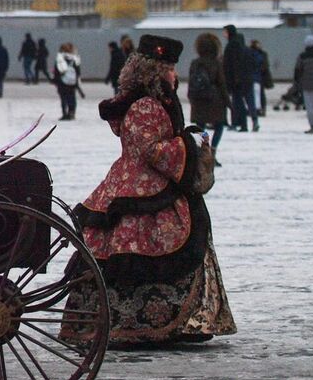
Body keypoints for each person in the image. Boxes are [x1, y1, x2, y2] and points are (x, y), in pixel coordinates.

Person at [67, 34, 235, 345]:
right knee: (146, 248)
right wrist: (188, 145)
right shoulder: (145, 104)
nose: (175, 74)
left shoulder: (153, 99)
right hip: (143, 188)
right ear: (154, 71)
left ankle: (175, 322)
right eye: (170, 68)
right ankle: (140, 324)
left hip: (146, 184)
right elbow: (150, 149)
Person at [187, 33, 229, 151]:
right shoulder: (216, 63)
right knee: (219, 125)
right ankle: (213, 148)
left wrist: (191, 98)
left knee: (201, 127)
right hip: (215, 100)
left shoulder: (195, 63)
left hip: (198, 99)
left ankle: (204, 147)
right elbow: (221, 84)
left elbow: (191, 82)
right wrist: (228, 102)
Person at [221, 24, 253, 132]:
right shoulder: (236, 43)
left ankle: (240, 124)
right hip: (237, 78)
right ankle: (238, 123)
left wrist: (235, 78)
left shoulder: (233, 44)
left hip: (235, 79)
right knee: (237, 101)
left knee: (237, 101)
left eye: (225, 32)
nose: (223, 34)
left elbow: (234, 63)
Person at [53, 42, 82, 120]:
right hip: (72, 82)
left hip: (62, 82)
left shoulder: (60, 58)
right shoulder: (75, 58)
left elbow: (57, 71)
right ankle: (72, 113)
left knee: (63, 98)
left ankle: (64, 114)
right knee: (72, 97)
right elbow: (78, 71)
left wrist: (55, 81)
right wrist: (77, 81)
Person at [250, 39, 272, 119]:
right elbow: (265, 66)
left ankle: (257, 109)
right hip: (259, 77)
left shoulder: (253, 54)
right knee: (259, 94)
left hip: (257, 77)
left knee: (256, 94)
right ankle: (259, 109)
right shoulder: (261, 54)